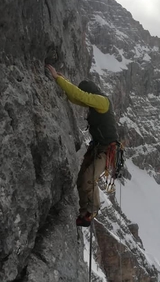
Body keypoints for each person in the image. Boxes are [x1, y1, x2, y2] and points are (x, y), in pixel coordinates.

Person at [46, 64, 119, 227]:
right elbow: (75, 98)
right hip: (99, 147)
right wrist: (63, 81)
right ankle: (83, 212)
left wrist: (58, 79)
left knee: (88, 178)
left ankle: (92, 210)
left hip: (108, 150)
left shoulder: (102, 101)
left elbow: (79, 95)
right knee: (81, 179)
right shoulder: (96, 103)